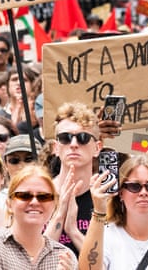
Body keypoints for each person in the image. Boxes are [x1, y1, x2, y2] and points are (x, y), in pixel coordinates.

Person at [0, 165, 78, 270]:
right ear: (9, 204)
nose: (34, 202)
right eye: (24, 196)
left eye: (43, 197)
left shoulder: (64, 256)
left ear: (54, 206)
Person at [50, 103, 103, 254]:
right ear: (55, 148)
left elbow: (107, 263)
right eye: (65, 138)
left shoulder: (107, 199)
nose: (73, 144)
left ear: (97, 148)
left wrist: (72, 230)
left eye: (83, 138)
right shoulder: (38, 194)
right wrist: (59, 216)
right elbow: (31, 260)